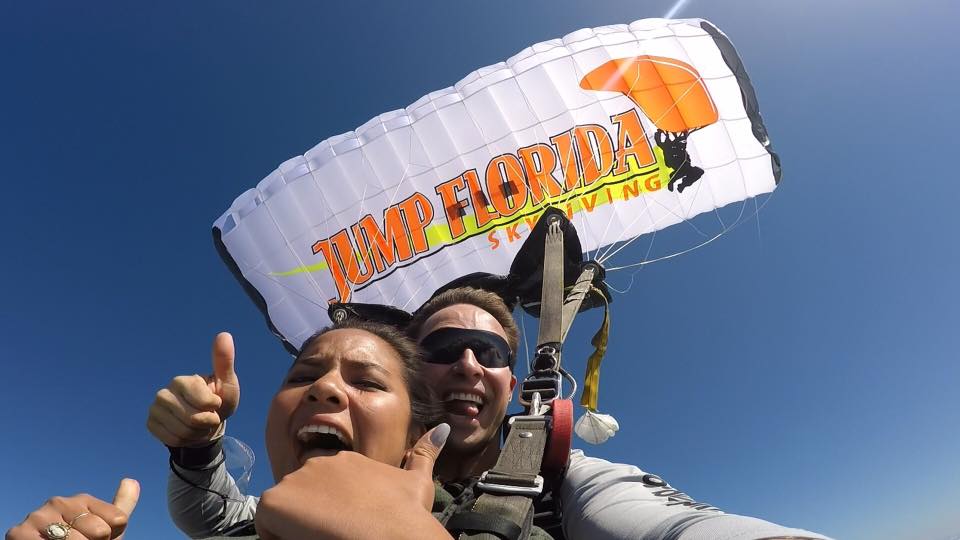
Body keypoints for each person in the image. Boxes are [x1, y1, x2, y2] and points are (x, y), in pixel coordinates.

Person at [162, 288, 831, 540]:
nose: (469, 366)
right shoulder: (347, 473)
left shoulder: (571, 486)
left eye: (488, 352)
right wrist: (199, 447)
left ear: (515, 382)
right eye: (445, 349)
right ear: (415, 379)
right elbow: (226, 520)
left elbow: (668, 528)